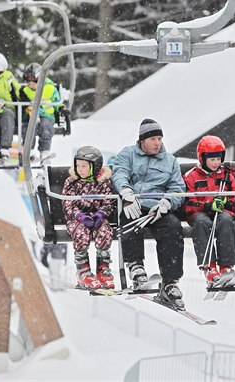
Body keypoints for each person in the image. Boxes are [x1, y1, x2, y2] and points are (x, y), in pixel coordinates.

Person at [112, 119, 186, 308]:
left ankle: (170, 281)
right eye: (153, 138)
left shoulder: (170, 161)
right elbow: (119, 174)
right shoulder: (128, 154)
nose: (157, 142)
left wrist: (166, 203)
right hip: (134, 203)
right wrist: (127, 194)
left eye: (160, 138)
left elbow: (177, 187)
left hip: (157, 208)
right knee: (130, 219)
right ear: (142, 140)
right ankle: (136, 267)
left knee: (173, 227)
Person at [183, 135, 235, 286]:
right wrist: (208, 205)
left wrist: (226, 202)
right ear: (202, 158)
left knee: (227, 220)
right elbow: (188, 203)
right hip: (200, 215)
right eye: (212, 159)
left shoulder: (227, 175)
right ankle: (209, 267)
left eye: (218, 158)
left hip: (221, 214)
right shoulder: (191, 177)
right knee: (201, 222)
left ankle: (226, 266)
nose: (216, 163)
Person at [62, 146, 116, 289]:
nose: (80, 169)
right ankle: (83, 271)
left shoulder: (103, 182)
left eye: (84, 166)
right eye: (78, 165)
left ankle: (103, 269)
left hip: (97, 218)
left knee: (104, 231)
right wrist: (78, 215)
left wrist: (101, 214)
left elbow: (109, 202)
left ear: (95, 166)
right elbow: (67, 203)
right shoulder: (72, 182)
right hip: (76, 219)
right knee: (81, 233)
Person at [18, 62, 61, 163]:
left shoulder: (50, 88)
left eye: (32, 83)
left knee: (45, 127)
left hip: (46, 115)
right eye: (28, 83)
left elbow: (57, 102)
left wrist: (62, 109)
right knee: (29, 128)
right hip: (31, 115)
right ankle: (29, 151)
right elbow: (22, 103)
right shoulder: (25, 91)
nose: (30, 85)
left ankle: (44, 152)